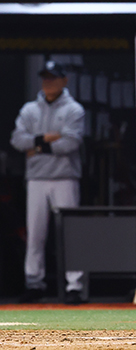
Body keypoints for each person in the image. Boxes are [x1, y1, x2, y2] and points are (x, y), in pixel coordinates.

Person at [10, 60, 86, 304]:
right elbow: (17, 140)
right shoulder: (29, 109)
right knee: (35, 235)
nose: (49, 82)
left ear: (64, 81)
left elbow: (71, 142)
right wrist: (47, 139)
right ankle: (34, 283)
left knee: (70, 234)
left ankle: (74, 286)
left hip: (65, 177)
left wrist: (36, 146)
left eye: (53, 78)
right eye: (45, 78)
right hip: (36, 178)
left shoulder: (74, 109)